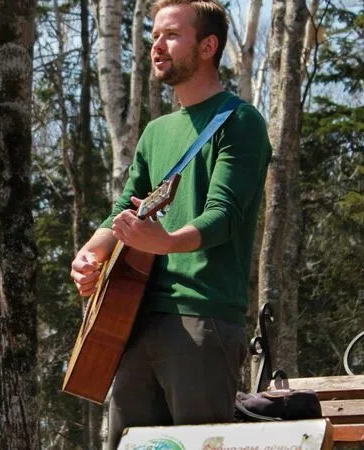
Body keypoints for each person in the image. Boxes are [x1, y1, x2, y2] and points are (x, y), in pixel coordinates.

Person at [69, 0, 272, 448]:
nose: (157, 46)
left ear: (207, 46)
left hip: (202, 318)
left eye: (171, 35)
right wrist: (92, 253)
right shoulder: (156, 133)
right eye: (154, 36)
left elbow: (224, 217)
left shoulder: (240, 122)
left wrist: (164, 241)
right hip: (131, 318)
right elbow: (125, 207)